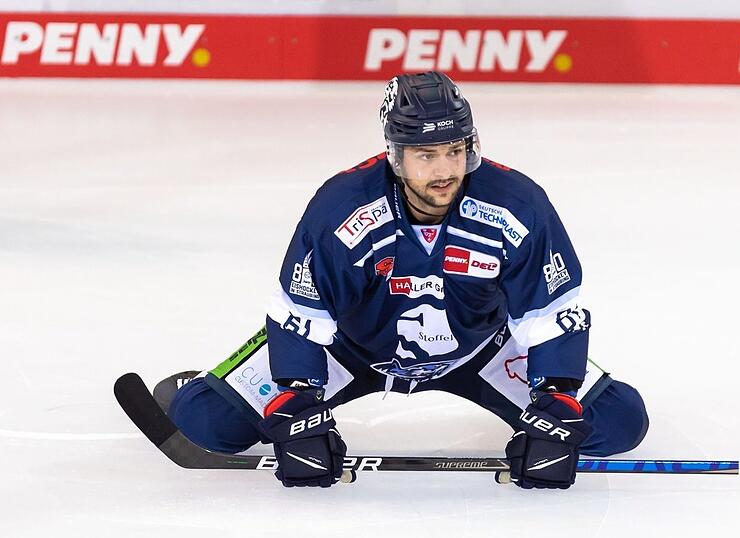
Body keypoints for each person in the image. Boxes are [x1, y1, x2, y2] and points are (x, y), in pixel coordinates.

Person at [167, 71, 649, 489]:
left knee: (619, 422)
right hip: (355, 350)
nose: (444, 171)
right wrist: (298, 401)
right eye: (426, 155)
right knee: (205, 421)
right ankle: (208, 380)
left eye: (455, 151)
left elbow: (550, 309)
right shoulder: (343, 208)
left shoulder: (516, 205)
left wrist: (555, 399)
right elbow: (299, 309)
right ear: (395, 155)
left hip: (480, 346)